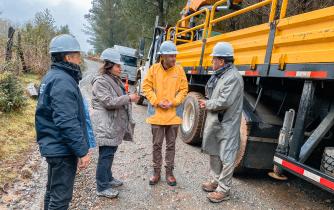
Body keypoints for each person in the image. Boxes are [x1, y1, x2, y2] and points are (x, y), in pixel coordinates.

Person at [35, 34, 91, 210]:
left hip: (53, 145)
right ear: (68, 57)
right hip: (61, 148)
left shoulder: (52, 76)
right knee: (60, 199)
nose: (80, 59)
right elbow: (66, 121)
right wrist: (82, 151)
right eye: (77, 55)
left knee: (52, 192)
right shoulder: (63, 81)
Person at [91, 48, 139, 198]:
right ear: (109, 65)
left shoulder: (114, 79)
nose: (121, 68)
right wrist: (129, 98)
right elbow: (109, 102)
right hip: (106, 125)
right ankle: (102, 187)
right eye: (118, 65)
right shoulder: (100, 82)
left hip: (112, 125)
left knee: (110, 153)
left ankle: (108, 178)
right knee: (105, 155)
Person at [199, 42, 244, 203]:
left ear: (222, 61)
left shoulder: (233, 77)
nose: (212, 62)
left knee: (227, 156)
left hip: (227, 123)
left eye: (214, 60)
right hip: (218, 121)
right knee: (214, 152)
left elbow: (224, 101)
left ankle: (224, 190)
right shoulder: (221, 74)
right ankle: (215, 181)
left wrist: (207, 104)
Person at [142, 41, 188, 186]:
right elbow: (146, 87)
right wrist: (156, 101)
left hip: (173, 116)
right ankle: (156, 172)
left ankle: (169, 173)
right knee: (156, 145)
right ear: (162, 56)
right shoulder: (154, 69)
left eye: (175, 56)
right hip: (157, 116)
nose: (174, 59)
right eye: (171, 56)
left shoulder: (179, 70)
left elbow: (184, 89)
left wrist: (174, 102)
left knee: (171, 145)